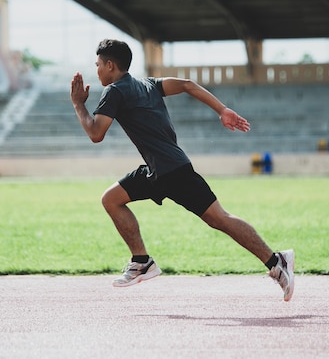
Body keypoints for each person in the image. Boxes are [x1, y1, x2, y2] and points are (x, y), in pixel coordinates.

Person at [70, 39, 295, 301]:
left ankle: (275, 261)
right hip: (159, 170)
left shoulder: (115, 91)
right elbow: (188, 85)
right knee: (111, 199)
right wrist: (221, 109)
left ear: (110, 65)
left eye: (98, 65)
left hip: (172, 171)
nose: (96, 70)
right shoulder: (148, 84)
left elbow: (96, 133)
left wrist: (78, 104)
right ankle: (141, 261)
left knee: (219, 219)